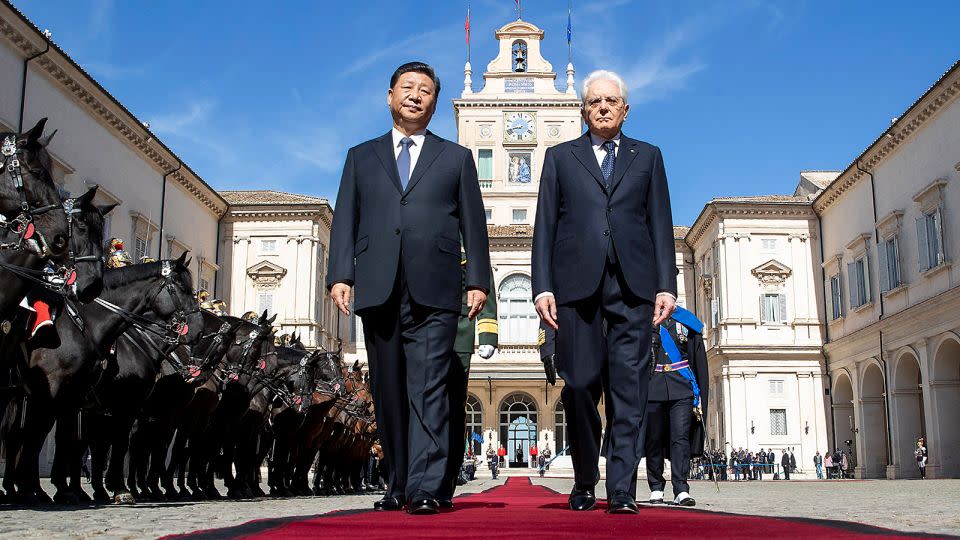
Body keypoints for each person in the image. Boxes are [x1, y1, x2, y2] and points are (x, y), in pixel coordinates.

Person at [327, 61, 491, 515]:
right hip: (379, 286)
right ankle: (396, 482)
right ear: (390, 96)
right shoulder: (361, 157)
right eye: (407, 88)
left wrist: (478, 280)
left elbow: (474, 225)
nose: (415, 96)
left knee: (431, 386)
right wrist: (341, 273)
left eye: (425, 91)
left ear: (435, 103)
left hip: (437, 289)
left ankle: (426, 487)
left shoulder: (456, 158)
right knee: (388, 389)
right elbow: (346, 218)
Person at [532, 70, 677, 515]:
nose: (603, 107)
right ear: (583, 109)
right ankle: (582, 481)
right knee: (578, 386)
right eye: (595, 101)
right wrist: (542, 287)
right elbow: (545, 228)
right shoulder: (560, 158)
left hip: (633, 288)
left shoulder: (648, 157)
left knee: (629, 391)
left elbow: (659, 223)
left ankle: (621, 490)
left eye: (611, 101)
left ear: (625, 109)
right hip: (577, 290)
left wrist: (666, 284)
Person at [439, 260, 497, 508]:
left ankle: (445, 481)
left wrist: (487, 331)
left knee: (453, 407)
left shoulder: (465, 226)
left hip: (459, 328)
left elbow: (483, 275)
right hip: (416, 324)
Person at [644, 307, 709, 507]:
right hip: (653, 385)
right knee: (653, 438)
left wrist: (699, 391)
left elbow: (697, 359)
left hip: (681, 387)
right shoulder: (645, 317)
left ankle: (681, 488)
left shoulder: (686, 320)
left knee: (680, 438)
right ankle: (656, 486)